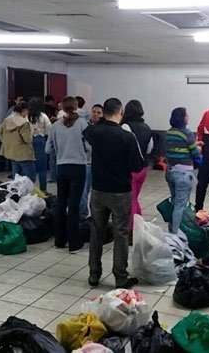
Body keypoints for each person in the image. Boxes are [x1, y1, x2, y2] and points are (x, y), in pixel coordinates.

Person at [83, 98, 144, 289]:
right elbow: (137, 166)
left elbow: (89, 129)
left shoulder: (94, 132)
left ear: (104, 111)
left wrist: (101, 122)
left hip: (98, 190)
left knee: (97, 232)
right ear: (121, 111)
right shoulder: (127, 137)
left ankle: (94, 274)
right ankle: (120, 277)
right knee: (121, 234)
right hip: (120, 191)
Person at [46, 96, 88, 252]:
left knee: (61, 203)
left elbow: (47, 149)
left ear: (62, 108)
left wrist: (60, 151)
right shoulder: (83, 124)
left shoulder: (55, 126)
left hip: (61, 167)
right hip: (78, 167)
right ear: (76, 107)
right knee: (74, 205)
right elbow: (90, 147)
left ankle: (59, 240)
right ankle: (74, 242)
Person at [121, 100, 154, 242]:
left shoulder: (125, 126)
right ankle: (139, 228)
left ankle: (131, 232)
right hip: (143, 168)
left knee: (130, 200)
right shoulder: (146, 127)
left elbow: (122, 146)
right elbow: (150, 148)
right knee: (134, 199)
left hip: (130, 168)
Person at [165, 107, 201, 234]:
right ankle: (176, 235)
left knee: (175, 202)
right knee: (181, 205)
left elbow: (175, 150)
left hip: (170, 171)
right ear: (182, 118)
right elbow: (194, 152)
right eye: (186, 115)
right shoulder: (187, 133)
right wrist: (199, 149)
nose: (188, 117)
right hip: (184, 173)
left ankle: (171, 229)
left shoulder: (169, 132)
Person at [0, 102, 36, 181]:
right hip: (24, 154)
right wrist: (31, 132)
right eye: (27, 111)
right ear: (24, 110)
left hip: (11, 152)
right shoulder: (24, 123)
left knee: (16, 177)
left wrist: (5, 142)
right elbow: (28, 140)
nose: (27, 113)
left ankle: (17, 192)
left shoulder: (7, 120)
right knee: (29, 179)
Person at [79, 104, 104, 222]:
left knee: (99, 193)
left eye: (99, 112)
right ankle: (83, 215)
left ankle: (97, 215)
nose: (96, 114)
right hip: (87, 164)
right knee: (84, 191)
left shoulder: (104, 129)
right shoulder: (86, 128)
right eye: (94, 111)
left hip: (100, 166)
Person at [27, 97, 52, 193]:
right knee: (42, 168)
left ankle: (29, 190)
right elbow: (49, 130)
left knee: (29, 167)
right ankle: (43, 190)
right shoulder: (43, 116)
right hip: (41, 141)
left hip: (27, 142)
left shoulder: (25, 116)